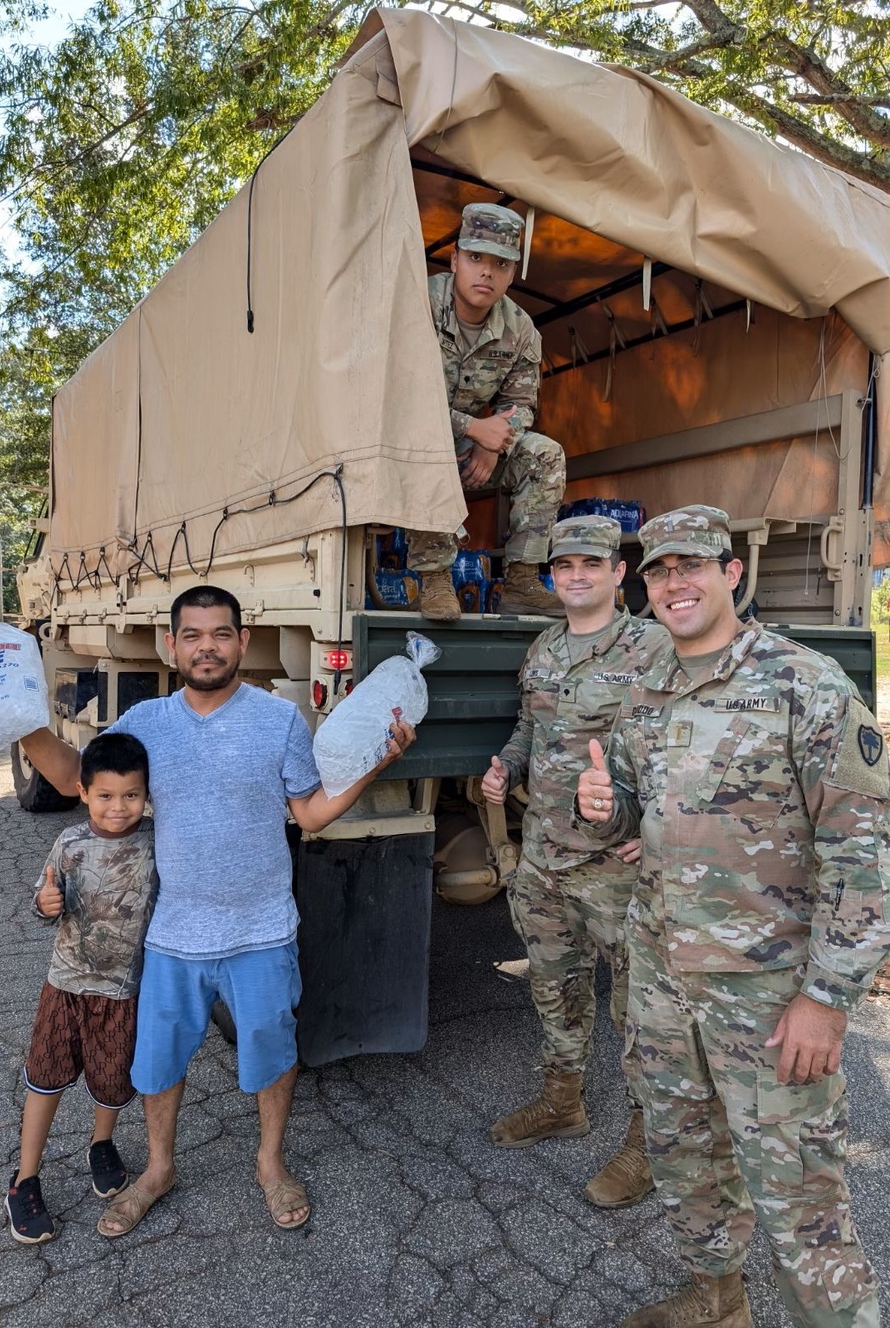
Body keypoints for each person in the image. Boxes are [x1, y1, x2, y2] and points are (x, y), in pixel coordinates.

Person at [10, 585, 414, 1238]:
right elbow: (69, 778)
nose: (206, 647)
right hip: (172, 935)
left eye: (220, 634)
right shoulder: (146, 726)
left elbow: (309, 813)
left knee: (271, 1050)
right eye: (192, 635)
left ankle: (270, 1161)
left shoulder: (279, 720)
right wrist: (17, 716)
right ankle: (159, 1167)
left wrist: (378, 761)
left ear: (242, 642)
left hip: (261, 932)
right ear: (173, 645)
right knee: (159, 1061)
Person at [577, 505, 890, 1328]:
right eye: (658, 570)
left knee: (801, 1199)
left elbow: (865, 859)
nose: (674, 583)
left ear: (732, 574)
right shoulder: (647, 693)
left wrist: (826, 999)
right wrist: (606, 807)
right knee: (686, 1160)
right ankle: (717, 1302)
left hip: (768, 998)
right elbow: (639, 820)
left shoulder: (805, 683)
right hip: (663, 986)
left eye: (692, 566)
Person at [481, 515, 668, 1208]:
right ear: (553, 577)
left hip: (619, 867)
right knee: (555, 988)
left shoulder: (653, 647)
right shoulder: (545, 648)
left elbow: (683, 743)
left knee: (640, 1010)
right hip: (546, 859)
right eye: (566, 566)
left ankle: (651, 1145)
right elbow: (533, 726)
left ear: (620, 574)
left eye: (594, 563)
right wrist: (506, 763)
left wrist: (654, 824)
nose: (579, 575)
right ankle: (563, 1102)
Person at [5, 732, 157, 1244]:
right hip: (65, 986)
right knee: (45, 1076)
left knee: (112, 1081)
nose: (119, 808)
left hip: (122, 992)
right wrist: (43, 904)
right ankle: (25, 1180)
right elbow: (44, 898)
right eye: (106, 796)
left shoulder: (157, 842)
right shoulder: (69, 844)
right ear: (83, 791)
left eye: (131, 795)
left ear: (146, 794)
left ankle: (102, 1143)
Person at [409, 202, 566, 622]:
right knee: (430, 442)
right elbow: (399, 398)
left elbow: (522, 404)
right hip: (405, 444)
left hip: (472, 442)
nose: (486, 272)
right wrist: (474, 428)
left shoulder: (520, 330)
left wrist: (495, 443)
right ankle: (435, 577)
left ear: (512, 273)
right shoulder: (417, 305)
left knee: (545, 455)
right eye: (476, 258)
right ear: (455, 258)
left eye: (500, 263)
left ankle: (522, 580)